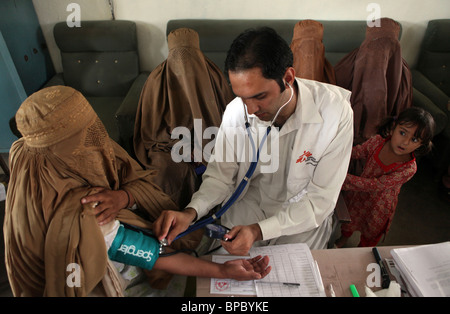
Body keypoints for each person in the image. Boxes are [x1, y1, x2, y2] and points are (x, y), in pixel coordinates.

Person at [3, 86, 270, 297]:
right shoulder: (86, 214)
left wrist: (124, 196)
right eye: (87, 136)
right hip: (112, 280)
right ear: (68, 148)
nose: (99, 141)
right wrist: (221, 271)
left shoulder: (26, 155)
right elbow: (149, 254)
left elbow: (134, 178)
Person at [154, 27, 354, 255]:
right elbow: (220, 177)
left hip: (301, 218)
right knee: (225, 274)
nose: (251, 110)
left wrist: (259, 232)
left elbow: (319, 201)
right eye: (242, 97)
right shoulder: (236, 112)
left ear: (287, 78)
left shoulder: (336, 113)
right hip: (248, 207)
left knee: (293, 280)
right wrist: (191, 212)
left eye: (260, 96)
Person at [133, 28, 235, 209]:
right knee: (165, 174)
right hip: (167, 146)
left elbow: (229, 119)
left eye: (190, 57)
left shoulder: (214, 76)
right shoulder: (156, 81)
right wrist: (182, 148)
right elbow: (151, 132)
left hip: (213, 139)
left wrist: (203, 147)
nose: (184, 65)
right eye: (178, 57)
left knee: (227, 168)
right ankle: (171, 221)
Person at [334, 107, 435, 248]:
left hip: (378, 207)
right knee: (350, 220)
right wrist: (334, 152)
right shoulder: (377, 142)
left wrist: (340, 178)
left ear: (421, 145)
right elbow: (357, 152)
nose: (405, 142)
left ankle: (359, 253)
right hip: (358, 196)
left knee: (369, 233)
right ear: (393, 127)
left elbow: (375, 185)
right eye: (402, 133)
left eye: (414, 139)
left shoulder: (408, 169)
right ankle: (342, 240)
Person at [334, 18, 413, 145]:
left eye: (387, 45)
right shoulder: (345, 67)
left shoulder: (403, 73)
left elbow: (404, 114)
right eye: (374, 45)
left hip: (385, 139)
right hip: (344, 132)